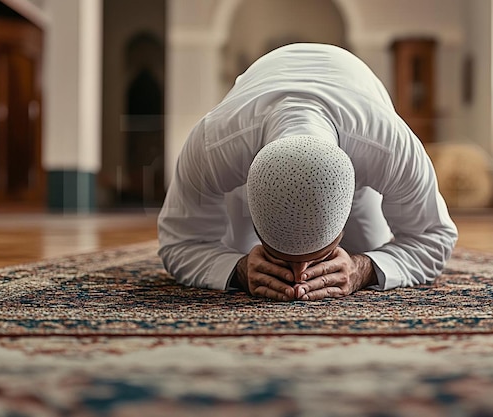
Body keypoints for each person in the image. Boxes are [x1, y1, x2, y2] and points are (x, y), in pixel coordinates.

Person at [157, 43, 458, 302]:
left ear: (342, 223)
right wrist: (237, 268)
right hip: (258, 91)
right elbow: (178, 243)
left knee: (370, 247)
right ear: (250, 196)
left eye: (317, 256)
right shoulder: (214, 146)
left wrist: (363, 269)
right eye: (285, 259)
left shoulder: (390, 147)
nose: (299, 277)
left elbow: (434, 238)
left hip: (356, 86)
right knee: (239, 252)